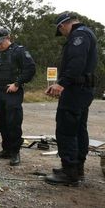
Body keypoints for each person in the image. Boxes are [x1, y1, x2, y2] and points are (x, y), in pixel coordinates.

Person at [44, 12, 97, 186]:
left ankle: (69, 172)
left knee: (66, 129)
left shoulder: (78, 35)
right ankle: (77, 169)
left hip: (75, 90)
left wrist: (61, 84)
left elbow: (76, 62)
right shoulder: (87, 33)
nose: (63, 34)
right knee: (79, 129)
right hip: (83, 90)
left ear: (63, 25)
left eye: (61, 31)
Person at [0, 28, 36, 166]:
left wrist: (17, 83)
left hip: (13, 93)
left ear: (8, 38)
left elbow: (31, 69)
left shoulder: (19, 51)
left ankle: (15, 152)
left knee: (13, 123)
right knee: (2, 122)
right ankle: (7, 149)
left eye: (1, 42)